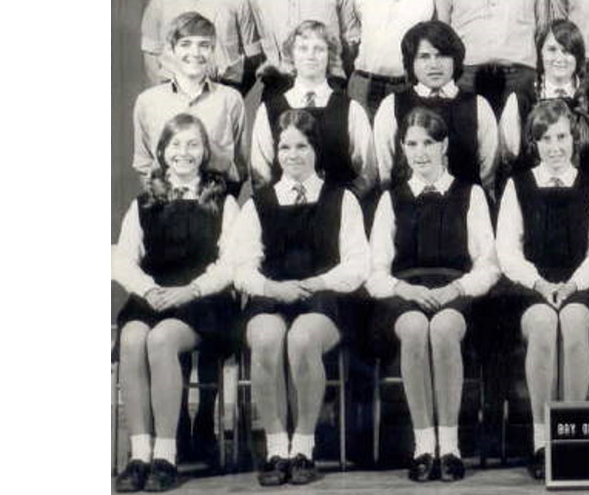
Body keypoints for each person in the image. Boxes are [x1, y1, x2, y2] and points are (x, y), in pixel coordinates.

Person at [232, 109, 369, 486]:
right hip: (272, 294)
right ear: (276, 152)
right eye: (286, 147)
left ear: (316, 150)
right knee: (265, 338)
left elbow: (358, 264)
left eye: (302, 146)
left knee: (302, 338)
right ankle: (277, 446)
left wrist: (315, 283)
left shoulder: (342, 199)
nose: (294, 155)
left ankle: (304, 447)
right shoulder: (257, 203)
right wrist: (272, 288)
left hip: (324, 295)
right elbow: (241, 267)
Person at [366, 107, 499, 482]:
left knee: (442, 329)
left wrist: (457, 288)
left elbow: (488, 265)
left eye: (428, 142)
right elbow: (375, 272)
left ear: (443, 146)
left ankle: (451, 446)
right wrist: (403, 289)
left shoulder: (469, 194)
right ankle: (423, 445)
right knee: (412, 329)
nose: (420, 151)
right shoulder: (391, 199)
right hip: (404, 291)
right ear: (402, 149)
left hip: (457, 290)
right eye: (411, 144)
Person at [113, 114, 240, 492]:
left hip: (204, 299)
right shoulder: (144, 202)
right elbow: (120, 258)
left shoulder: (223, 201)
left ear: (204, 152)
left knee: (162, 340)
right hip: (154, 293)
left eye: (192, 144)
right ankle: (139, 455)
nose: (183, 153)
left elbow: (232, 263)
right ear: (162, 152)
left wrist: (193, 290)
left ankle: (166, 455)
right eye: (175, 145)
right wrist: (147, 289)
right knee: (134, 339)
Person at [495, 99, 589, 479]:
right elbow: (507, 251)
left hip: (581, 281)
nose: (555, 147)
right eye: (545, 138)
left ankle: (572, 435)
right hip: (532, 284)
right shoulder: (518, 185)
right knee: (544, 325)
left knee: (575, 322)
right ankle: (542, 440)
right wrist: (540, 284)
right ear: (534, 142)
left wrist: (574, 284)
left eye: (561, 137)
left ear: (574, 138)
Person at [249, 20, 376, 201]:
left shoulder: (351, 109)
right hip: (284, 214)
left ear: (330, 55)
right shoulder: (268, 110)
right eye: (303, 48)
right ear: (291, 55)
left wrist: (344, 205)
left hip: (338, 215)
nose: (311, 56)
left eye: (319, 49)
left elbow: (368, 173)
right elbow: (261, 174)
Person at [373, 21, 499, 200]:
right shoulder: (391, 106)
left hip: (464, 208)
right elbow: (384, 171)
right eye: (424, 56)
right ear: (411, 62)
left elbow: (488, 170)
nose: (434, 64)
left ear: (455, 59)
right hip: (407, 210)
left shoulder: (478, 105)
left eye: (442, 55)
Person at [133, 12, 247, 195]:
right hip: (166, 207)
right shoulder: (147, 102)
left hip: (217, 207)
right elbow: (143, 164)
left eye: (204, 45)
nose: (195, 53)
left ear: (212, 50)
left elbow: (239, 168)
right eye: (185, 44)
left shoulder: (231, 99)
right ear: (171, 49)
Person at [498, 19, 589, 184]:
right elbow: (507, 157)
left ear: (579, 56)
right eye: (552, 50)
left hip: (583, 197)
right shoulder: (520, 100)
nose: (559, 58)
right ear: (541, 53)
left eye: (567, 51)